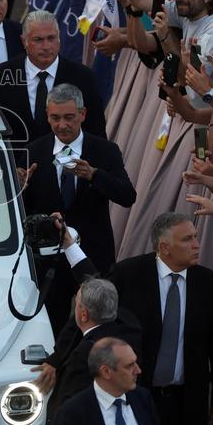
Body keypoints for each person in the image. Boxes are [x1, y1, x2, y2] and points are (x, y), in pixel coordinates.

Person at [109, 212, 213, 425]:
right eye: (188, 239)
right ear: (164, 247)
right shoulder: (128, 275)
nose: (197, 244)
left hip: (187, 401)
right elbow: (106, 330)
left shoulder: (210, 284)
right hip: (138, 394)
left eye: (196, 237)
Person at [20, 85, 136, 332]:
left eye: (69, 117)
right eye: (55, 118)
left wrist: (94, 175)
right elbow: (20, 210)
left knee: (99, 324)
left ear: (83, 114)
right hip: (48, 261)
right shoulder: (33, 152)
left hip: (93, 256)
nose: (62, 125)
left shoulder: (104, 150)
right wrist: (20, 188)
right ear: (47, 115)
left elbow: (127, 196)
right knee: (50, 326)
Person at [36, 278, 144, 425]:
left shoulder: (86, 355)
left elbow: (67, 411)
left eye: (77, 304)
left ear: (83, 314)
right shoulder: (129, 330)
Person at [0, 11, 106, 148]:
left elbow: (97, 135)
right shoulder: (0, 77)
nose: (46, 47)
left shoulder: (84, 78)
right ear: (24, 41)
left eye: (51, 38)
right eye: (38, 40)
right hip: (16, 165)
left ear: (59, 38)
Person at [47, 337, 168, 425]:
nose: (138, 370)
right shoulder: (72, 414)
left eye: (136, 362)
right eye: (129, 366)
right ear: (106, 371)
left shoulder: (142, 398)